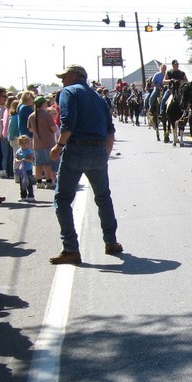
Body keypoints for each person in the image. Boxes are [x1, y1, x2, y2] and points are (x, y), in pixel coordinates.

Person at [49, 64, 122, 265]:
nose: (62, 80)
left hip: (76, 149)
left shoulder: (68, 92)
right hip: (98, 149)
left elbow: (68, 124)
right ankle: (111, 241)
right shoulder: (99, 97)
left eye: (64, 77)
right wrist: (104, 153)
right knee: (103, 196)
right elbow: (110, 130)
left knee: (62, 199)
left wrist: (58, 146)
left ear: (74, 76)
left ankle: (70, 248)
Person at [28, 96, 59, 189]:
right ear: (43, 104)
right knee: (47, 163)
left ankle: (39, 181)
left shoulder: (32, 116)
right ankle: (49, 181)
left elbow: (30, 128)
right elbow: (54, 129)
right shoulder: (47, 115)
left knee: (38, 163)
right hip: (48, 142)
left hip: (37, 143)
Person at [14, 135, 36, 201]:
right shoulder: (18, 151)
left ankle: (31, 196)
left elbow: (31, 159)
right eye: (22, 143)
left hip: (28, 169)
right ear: (19, 144)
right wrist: (18, 161)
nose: (24, 145)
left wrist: (25, 159)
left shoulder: (29, 151)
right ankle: (23, 195)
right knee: (22, 183)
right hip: (21, 170)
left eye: (26, 143)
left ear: (28, 143)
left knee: (29, 183)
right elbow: (16, 158)